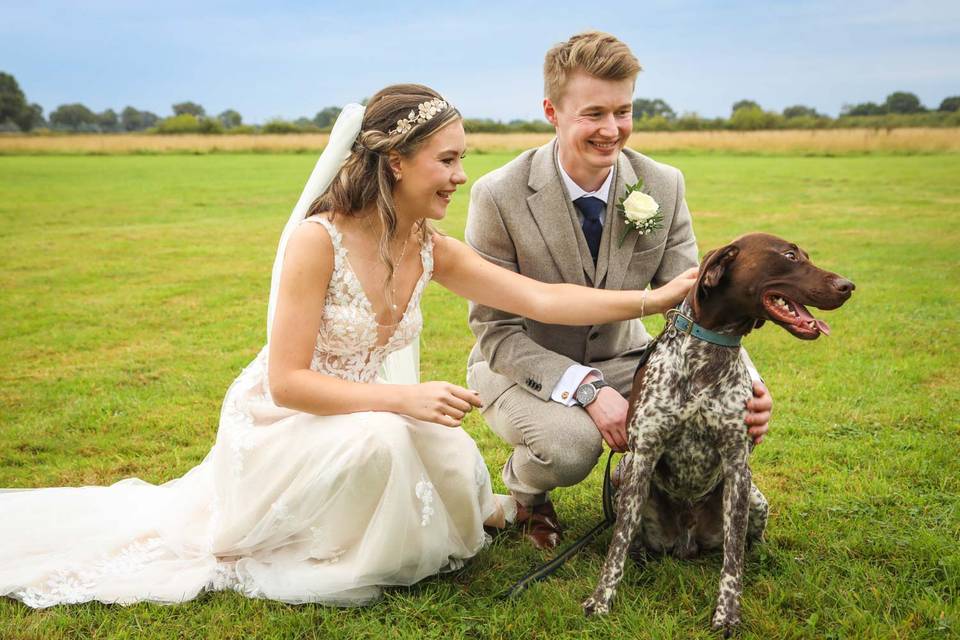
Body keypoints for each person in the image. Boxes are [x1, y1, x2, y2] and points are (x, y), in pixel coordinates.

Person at [0, 84, 697, 608]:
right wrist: (403, 398)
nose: (460, 176)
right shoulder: (318, 241)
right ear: (395, 163)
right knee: (385, 441)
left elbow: (540, 298)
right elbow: (286, 383)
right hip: (289, 421)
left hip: (376, 409)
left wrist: (654, 299)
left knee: (428, 456)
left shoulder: (428, 246)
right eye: (447, 160)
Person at [465, 32, 774, 550]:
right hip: (519, 367)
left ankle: (633, 476)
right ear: (552, 111)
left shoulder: (663, 184)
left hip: (628, 358)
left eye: (623, 111)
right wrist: (586, 390)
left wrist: (748, 382)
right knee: (570, 446)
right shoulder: (498, 194)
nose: (612, 130)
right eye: (593, 114)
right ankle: (527, 497)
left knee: (719, 407)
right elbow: (494, 331)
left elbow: (698, 303)